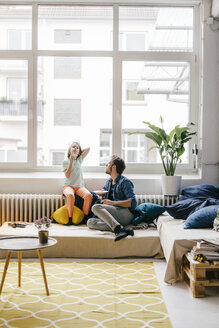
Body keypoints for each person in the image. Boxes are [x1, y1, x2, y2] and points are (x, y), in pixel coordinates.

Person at [87, 155, 137, 241]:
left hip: (125, 214)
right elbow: (104, 192)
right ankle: (121, 229)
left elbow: (132, 203)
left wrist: (112, 203)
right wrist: (101, 193)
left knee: (96, 207)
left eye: (108, 163)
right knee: (90, 222)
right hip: (115, 215)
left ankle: (118, 229)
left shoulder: (125, 182)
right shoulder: (109, 182)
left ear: (114, 167)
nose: (106, 165)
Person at [63, 141, 92, 225]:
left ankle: (83, 217)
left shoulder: (79, 160)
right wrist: (71, 160)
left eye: (77, 147)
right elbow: (67, 175)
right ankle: (70, 218)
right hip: (68, 186)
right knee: (70, 196)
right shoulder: (65, 162)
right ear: (69, 150)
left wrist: (78, 152)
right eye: (73, 147)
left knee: (88, 195)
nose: (75, 148)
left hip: (79, 187)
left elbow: (88, 149)